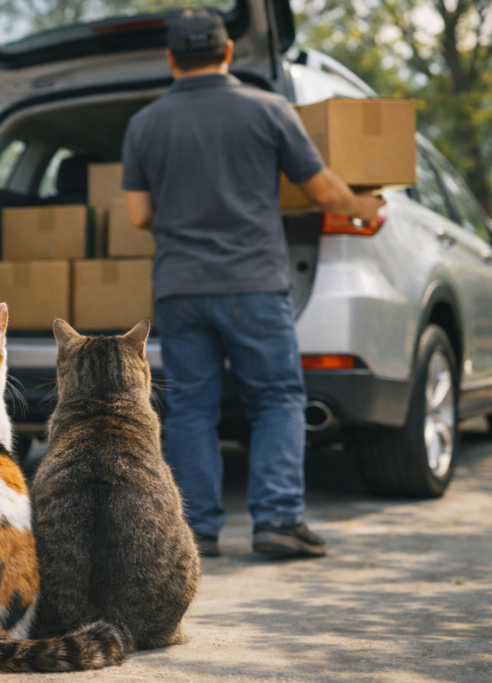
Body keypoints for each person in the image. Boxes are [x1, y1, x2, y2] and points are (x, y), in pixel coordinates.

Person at [122, 11, 386, 558]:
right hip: (254, 285)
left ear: (171, 59)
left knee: (193, 406)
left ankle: (197, 531)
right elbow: (325, 194)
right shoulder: (269, 109)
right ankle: (277, 521)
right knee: (276, 399)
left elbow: (138, 215)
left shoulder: (145, 123)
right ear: (228, 51)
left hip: (180, 288)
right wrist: (364, 207)